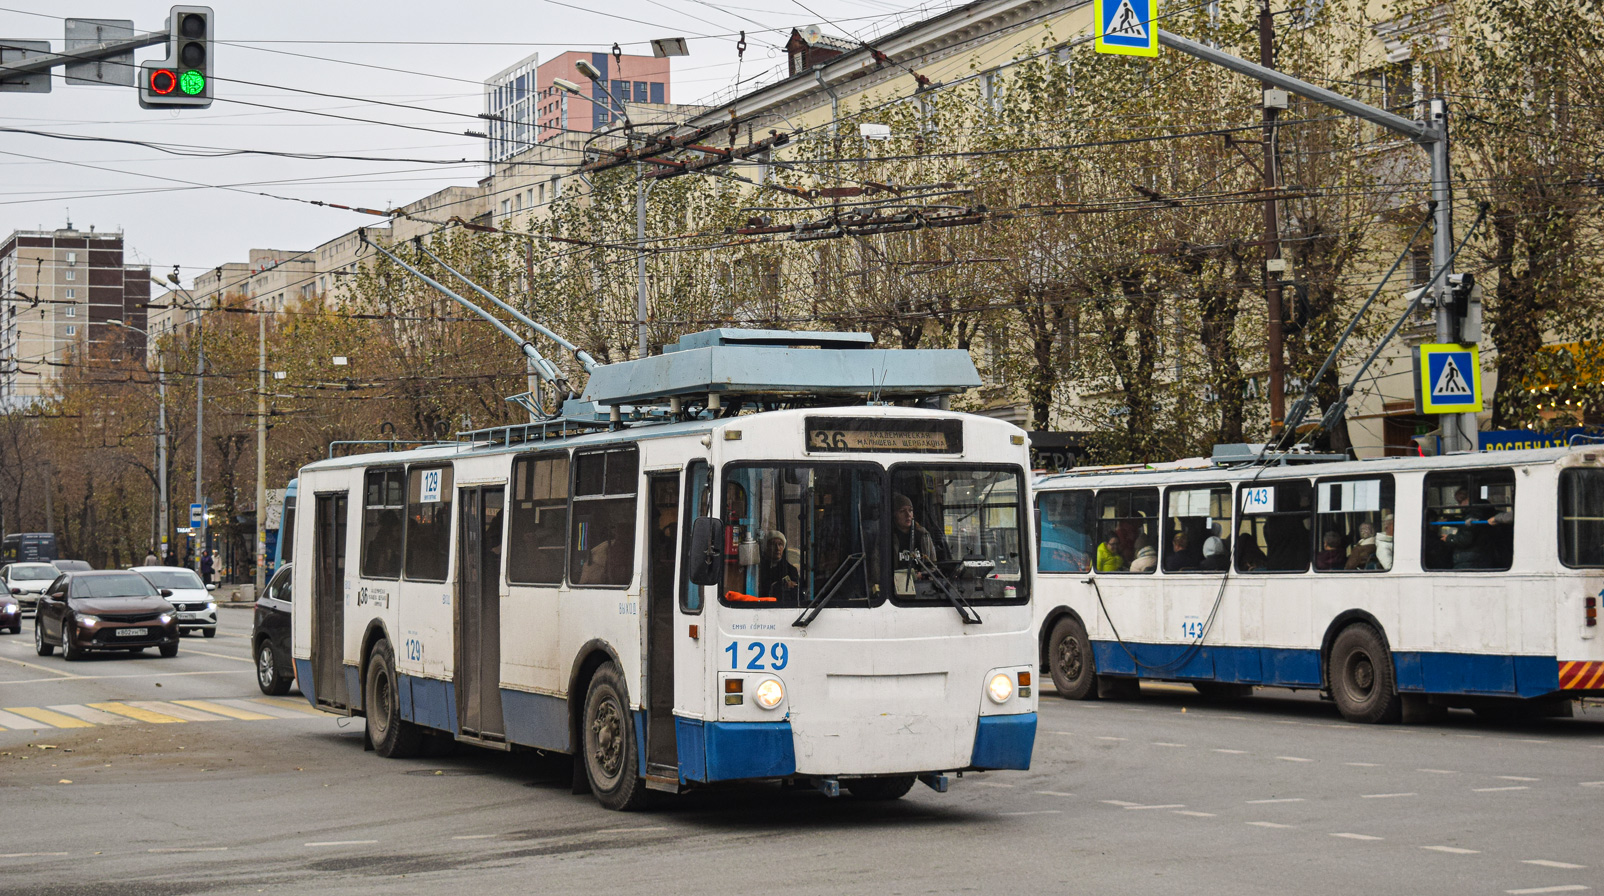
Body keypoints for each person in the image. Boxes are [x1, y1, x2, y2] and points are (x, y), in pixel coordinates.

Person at [892, 494, 938, 594]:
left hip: (923, 589)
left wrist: (923, 574)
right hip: (897, 590)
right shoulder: (889, 537)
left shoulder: (923, 535)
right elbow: (878, 573)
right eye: (902, 511)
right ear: (894, 514)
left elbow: (933, 566)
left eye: (910, 510)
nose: (908, 515)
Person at [757, 530, 799, 600]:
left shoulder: (791, 570)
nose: (777, 548)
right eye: (773, 544)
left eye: (780, 544)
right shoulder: (759, 568)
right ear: (766, 547)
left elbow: (796, 596)